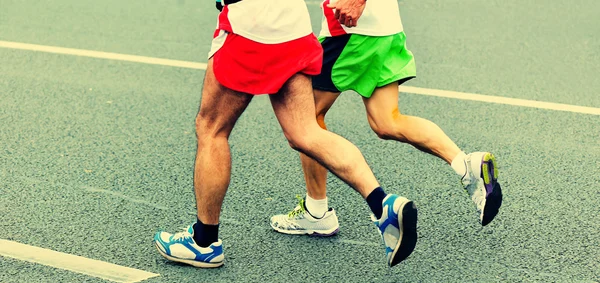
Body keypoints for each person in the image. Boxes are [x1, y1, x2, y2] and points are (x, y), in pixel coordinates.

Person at [153, 0, 419, 269]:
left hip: (251, 23)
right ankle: (382, 205)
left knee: (211, 128)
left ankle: (203, 242)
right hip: (293, 23)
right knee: (305, 132)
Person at [270, 0, 502, 237]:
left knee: (306, 121)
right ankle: (466, 165)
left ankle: (316, 212)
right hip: (383, 27)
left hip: (350, 30)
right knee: (387, 122)